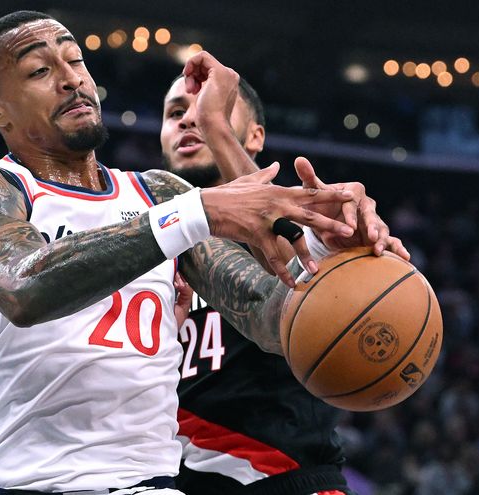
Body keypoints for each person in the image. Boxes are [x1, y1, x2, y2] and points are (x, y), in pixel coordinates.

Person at [0, 10, 395, 495]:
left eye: (75, 60)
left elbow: (272, 314)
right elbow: (23, 285)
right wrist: (193, 212)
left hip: (147, 484)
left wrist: (338, 260)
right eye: (40, 71)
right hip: (20, 482)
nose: (71, 79)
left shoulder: (158, 193)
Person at [161, 74, 405, 495]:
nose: (189, 120)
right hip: (170, 477)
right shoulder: (140, 234)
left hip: (281, 473)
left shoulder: (305, 228)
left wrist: (216, 128)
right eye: (176, 113)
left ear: (255, 136)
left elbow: (302, 283)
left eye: (205, 109)